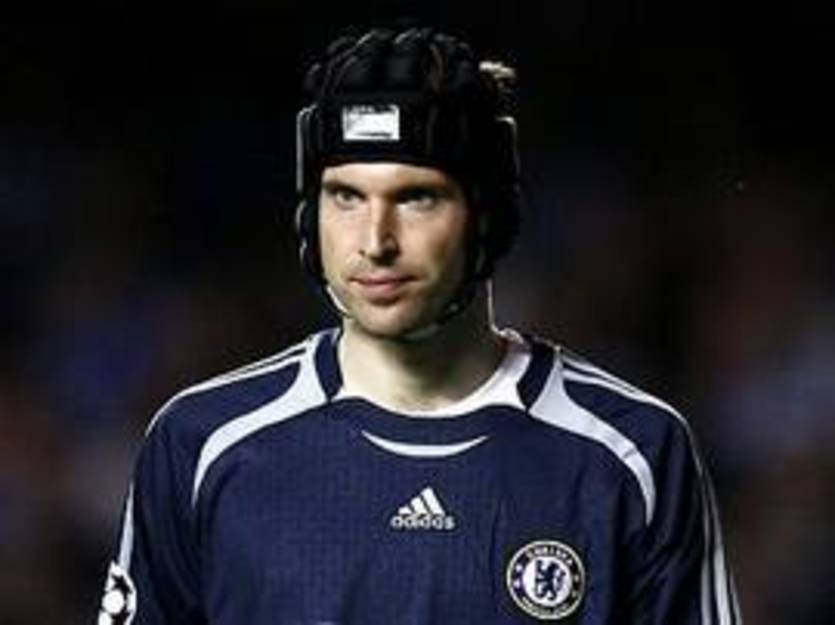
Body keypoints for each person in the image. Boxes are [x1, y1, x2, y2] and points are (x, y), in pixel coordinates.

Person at [97, 26, 742, 625]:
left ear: (487, 216)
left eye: (416, 198)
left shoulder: (630, 454)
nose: (375, 241)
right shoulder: (201, 444)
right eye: (345, 196)